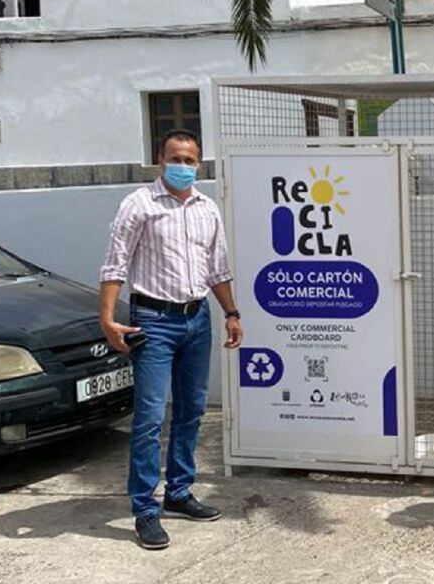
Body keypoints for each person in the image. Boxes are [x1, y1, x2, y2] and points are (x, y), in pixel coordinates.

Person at [99, 128, 243, 550]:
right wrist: (107, 319)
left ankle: (179, 492)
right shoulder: (138, 205)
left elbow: (217, 268)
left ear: (200, 163)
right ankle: (145, 508)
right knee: (148, 419)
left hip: (197, 319)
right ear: (160, 160)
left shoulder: (206, 208)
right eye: (176, 158)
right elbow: (115, 263)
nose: (184, 165)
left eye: (191, 159)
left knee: (192, 410)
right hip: (153, 322)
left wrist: (231, 313)